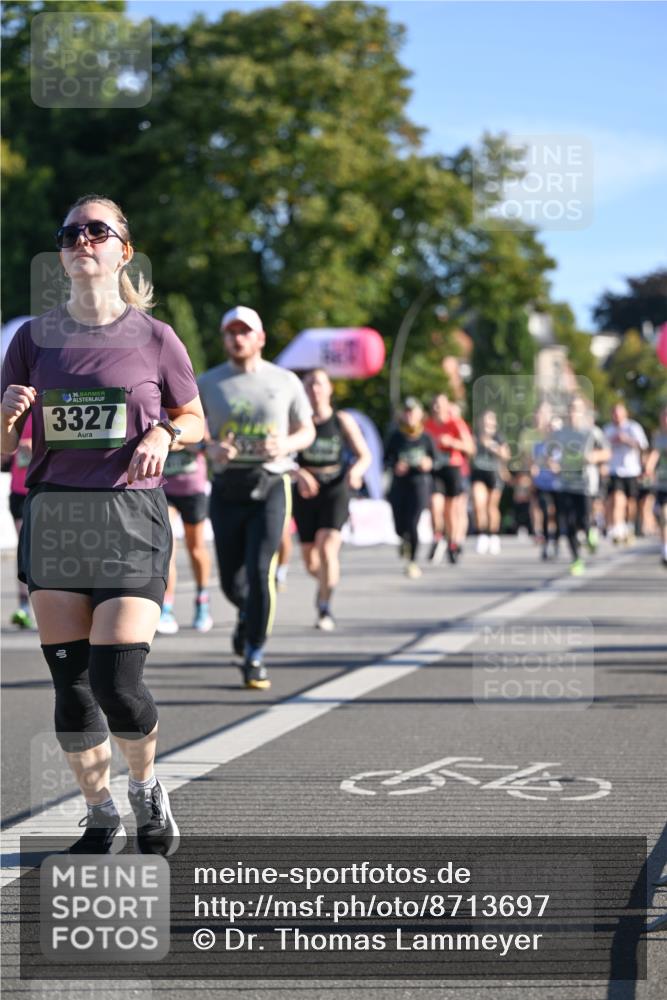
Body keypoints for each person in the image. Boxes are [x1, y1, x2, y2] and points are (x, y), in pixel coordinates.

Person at [0, 194, 205, 855]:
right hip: (55, 512)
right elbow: (3, 451)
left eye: (97, 230)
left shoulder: (154, 337)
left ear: (124, 248)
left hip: (128, 515)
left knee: (118, 681)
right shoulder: (33, 339)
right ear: (61, 255)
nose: (81, 240)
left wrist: (168, 432)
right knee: (72, 683)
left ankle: (145, 787)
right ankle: (99, 811)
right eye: (69, 233)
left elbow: (196, 417)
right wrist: (7, 413)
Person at [198, 305, 315, 690]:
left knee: (261, 570)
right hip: (228, 485)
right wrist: (211, 448)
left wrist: (286, 443)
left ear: (260, 337)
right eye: (230, 332)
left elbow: (307, 430)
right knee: (232, 582)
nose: (237, 338)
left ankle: (255, 653)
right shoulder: (208, 383)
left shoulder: (284, 381)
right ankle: (248, 616)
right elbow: (190, 430)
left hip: (271, 482)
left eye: (245, 331)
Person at [292, 368, 371, 630]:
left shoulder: (342, 420)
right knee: (310, 561)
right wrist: (299, 472)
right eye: (310, 384)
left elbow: (364, 455)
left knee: (327, 549)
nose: (315, 389)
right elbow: (282, 456)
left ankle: (324, 608)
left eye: (320, 384)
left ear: (330, 389)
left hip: (336, 487)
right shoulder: (297, 422)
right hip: (305, 490)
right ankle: (326, 582)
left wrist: (357, 472)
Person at [158, 429, 213, 635]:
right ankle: (167, 607)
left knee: (196, 548)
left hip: (193, 489)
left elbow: (206, 443)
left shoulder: (194, 411)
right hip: (164, 489)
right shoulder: (154, 408)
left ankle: (202, 599)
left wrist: (177, 439)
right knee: (167, 546)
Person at [548, 396, 609, 575]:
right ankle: (576, 560)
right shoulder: (559, 433)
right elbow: (550, 453)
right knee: (568, 522)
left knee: (583, 519)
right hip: (565, 483)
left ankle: (590, 533)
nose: (573, 412)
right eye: (571, 408)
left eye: (577, 409)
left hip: (585, 483)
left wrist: (595, 457)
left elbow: (607, 451)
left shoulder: (592, 431)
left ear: (583, 412)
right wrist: (552, 463)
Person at [385, 398, 435, 579]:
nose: (409, 415)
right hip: (399, 485)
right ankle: (403, 540)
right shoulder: (395, 436)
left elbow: (436, 460)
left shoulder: (426, 437)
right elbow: (385, 459)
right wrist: (395, 465)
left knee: (413, 522)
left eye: (413, 411)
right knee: (399, 526)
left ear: (420, 414)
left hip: (419, 484)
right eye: (406, 411)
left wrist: (429, 463)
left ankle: (412, 561)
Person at [424, 393, 475, 564]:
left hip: (453, 468)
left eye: (441, 404)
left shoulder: (456, 423)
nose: (437, 408)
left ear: (447, 406)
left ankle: (453, 543)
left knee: (451, 510)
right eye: (435, 404)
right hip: (435, 469)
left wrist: (452, 442)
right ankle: (437, 537)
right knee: (434, 505)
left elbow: (470, 448)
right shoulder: (428, 424)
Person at [603, 402, 649, 544]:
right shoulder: (608, 429)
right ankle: (618, 529)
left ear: (625, 414)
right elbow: (602, 448)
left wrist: (627, 440)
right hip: (614, 470)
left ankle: (629, 526)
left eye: (619, 413)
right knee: (617, 499)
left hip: (631, 470)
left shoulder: (633, 427)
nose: (616, 416)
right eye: (614, 413)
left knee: (630, 503)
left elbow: (643, 446)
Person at [6, 412, 35, 627]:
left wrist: (37, 446)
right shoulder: (15, 409)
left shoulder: (51, 403)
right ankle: (24, 606)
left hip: (48, 489)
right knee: (26, 547)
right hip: (19, 490)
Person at [471, 409, 510, 554]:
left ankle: (493, 535)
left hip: (494, 474)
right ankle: (482, 534)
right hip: (478, 473)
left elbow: (506, 455)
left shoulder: (499, 437)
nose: (488, 423)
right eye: (485, 419)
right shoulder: (475, 436)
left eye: (491, 420)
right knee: (478, 504)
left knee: (491, 506)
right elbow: (469, 452)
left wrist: (492, 446)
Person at [644, 403, 667, 566]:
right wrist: (648, 468)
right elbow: (654, 454)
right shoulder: (659, 438)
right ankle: (665, 548)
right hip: (664, 483)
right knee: (665, 515)